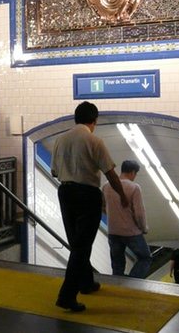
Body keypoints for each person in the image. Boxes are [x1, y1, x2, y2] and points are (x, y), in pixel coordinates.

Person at [51, 101, 129, 312]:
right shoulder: (94, 140)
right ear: (94, 121)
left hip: (65, 193)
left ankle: (86, 283)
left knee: (77, 243)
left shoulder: (60, 139)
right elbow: (110, 173)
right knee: (82, 246)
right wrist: (122, 195)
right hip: (87, 195)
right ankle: (67, 296)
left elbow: (54, 172)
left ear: (76, 118)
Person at [102, 159, 152, 278]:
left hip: (113, 231)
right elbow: (139, 213)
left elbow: (102, 206)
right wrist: (144, 228)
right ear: (133, 172)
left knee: (117, 264)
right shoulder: (134, 187)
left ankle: (118, 288)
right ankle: (132, 283)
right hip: (131, 232)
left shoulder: (106, 186)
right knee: (145, 258)